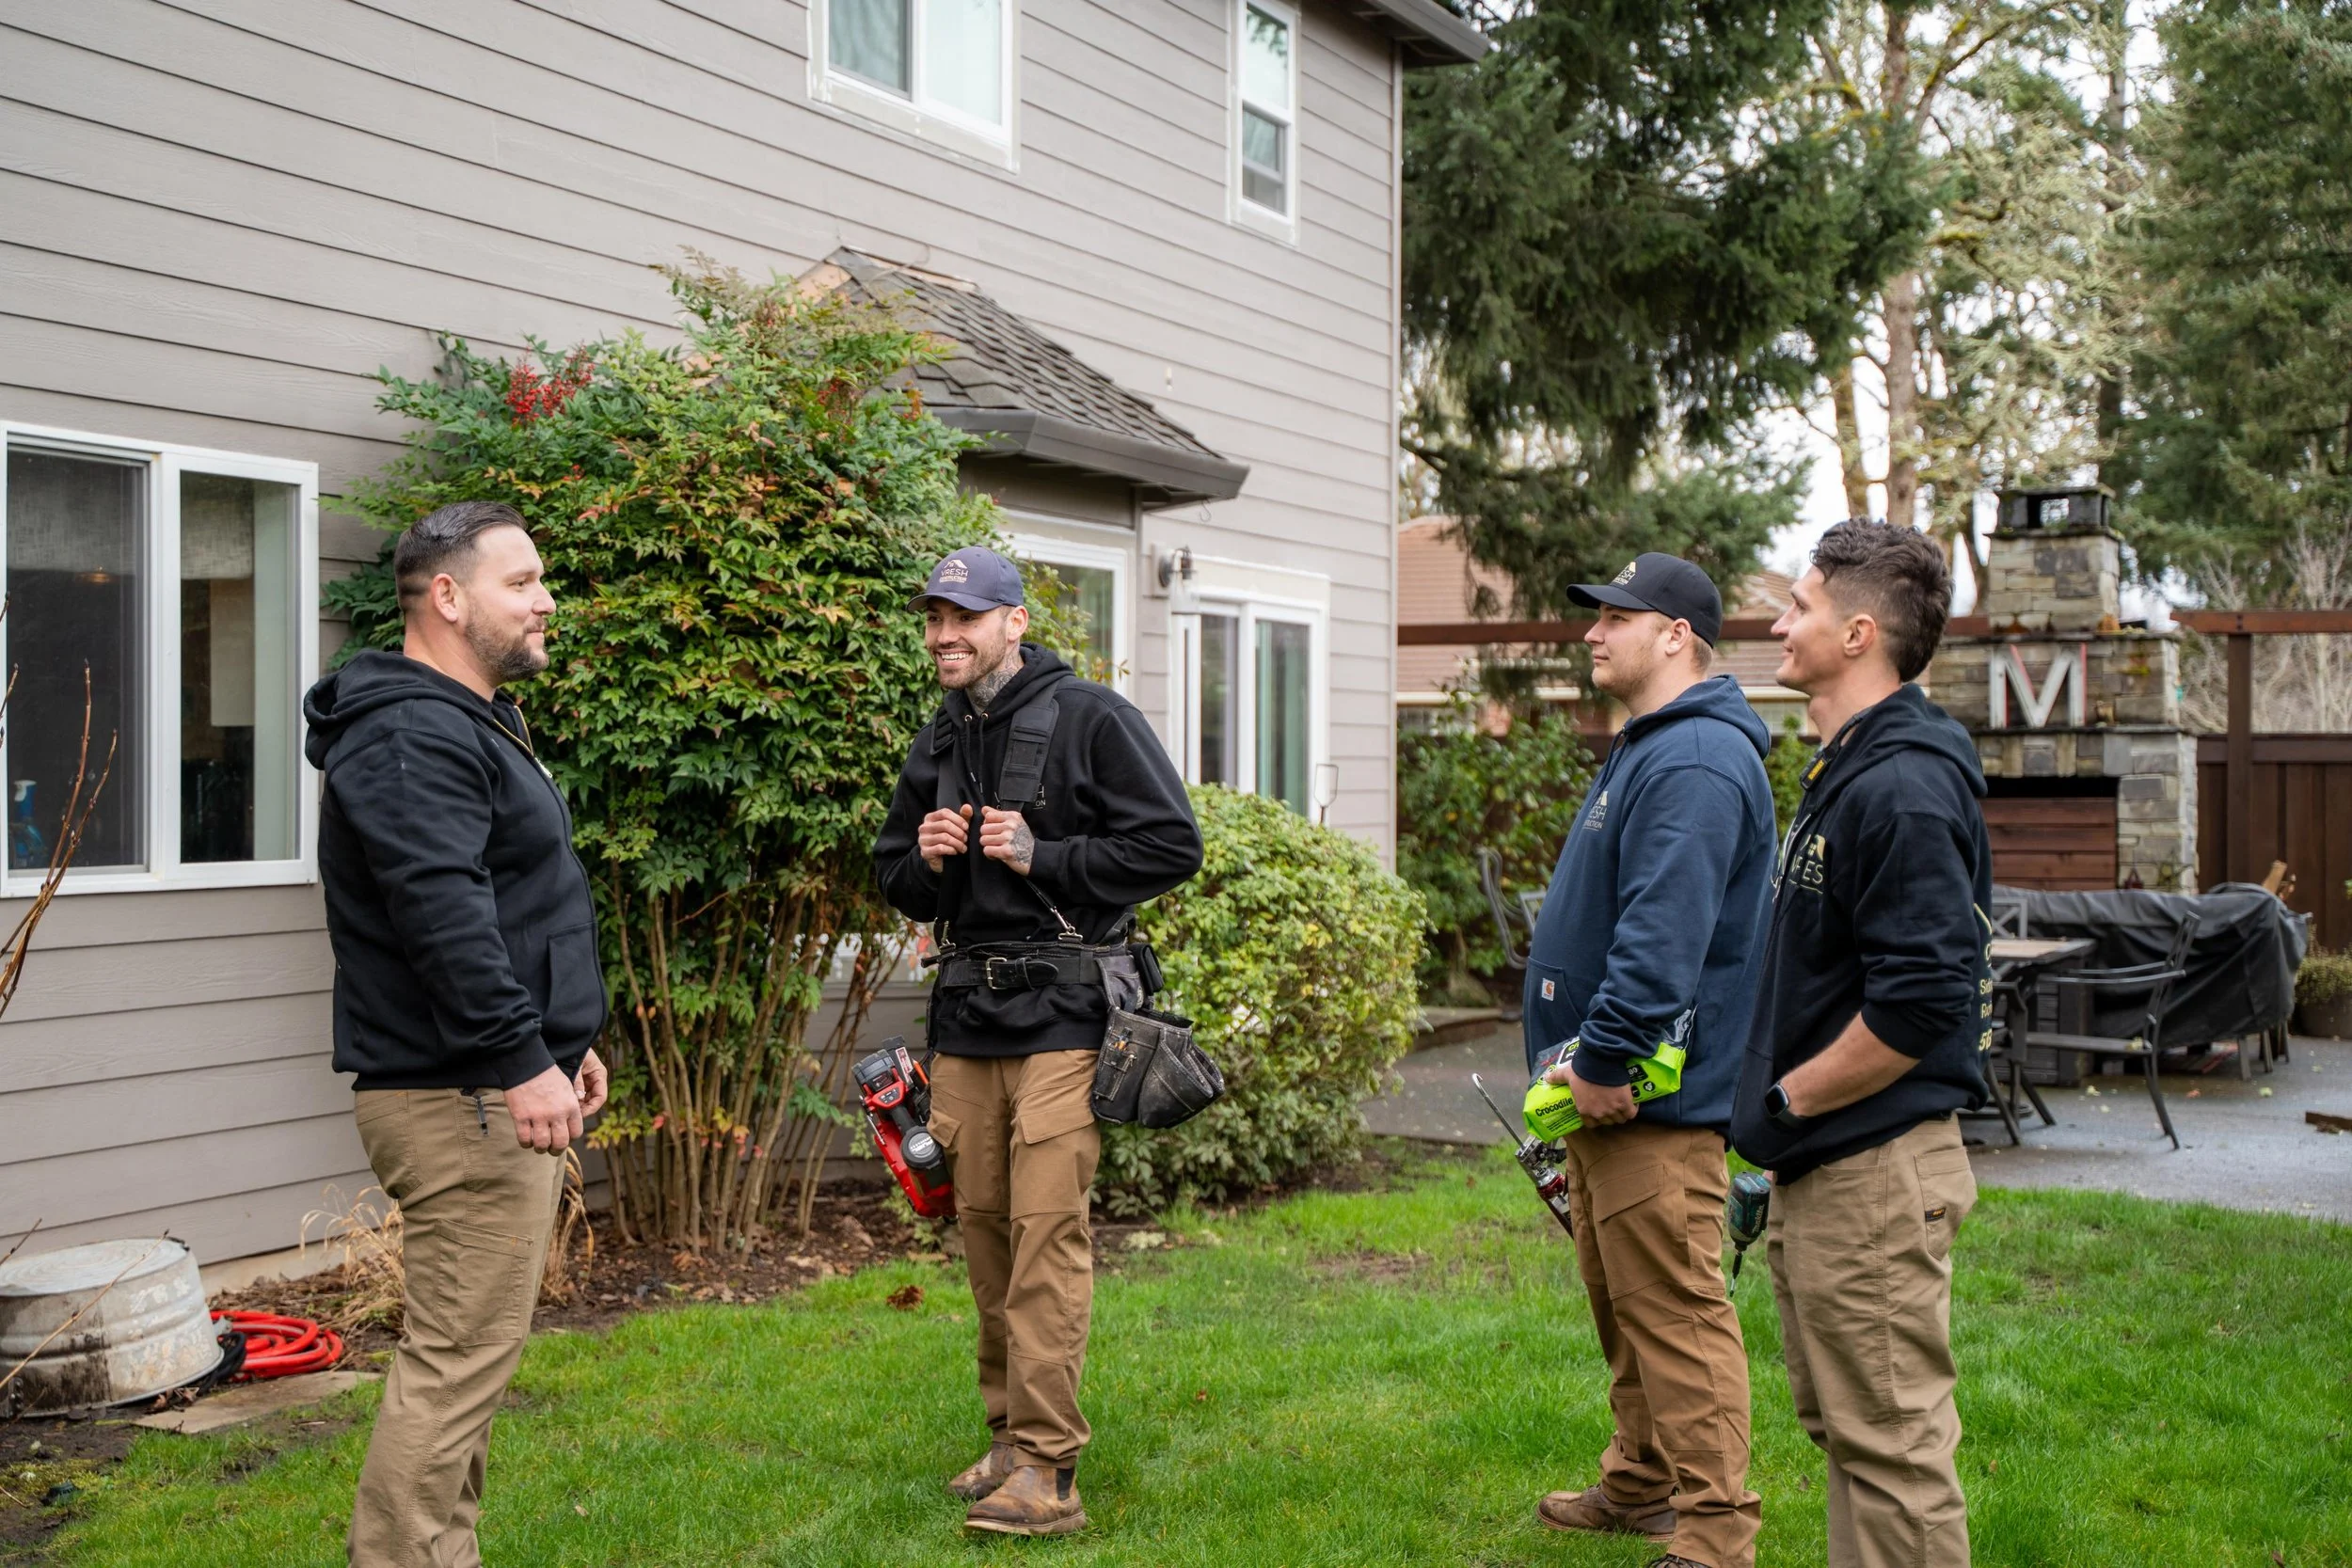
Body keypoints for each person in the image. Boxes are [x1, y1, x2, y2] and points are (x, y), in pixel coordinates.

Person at [872, 546, 1202, 1536]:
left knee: (1045, 1236)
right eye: (933, 617)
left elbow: (1170, 843)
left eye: (963, 616)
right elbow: (893, 874)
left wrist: (1042, 851)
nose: (943, 634)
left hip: (1065, 1015)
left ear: (1014, 621)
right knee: (981, 1232)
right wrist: (922, 863)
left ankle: (1051, 1472)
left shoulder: (1093, 717)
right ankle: (1008, 1436)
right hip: (967, 1019)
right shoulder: (936, 735)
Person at [305, 500, 610, 1568]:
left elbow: (508, 902)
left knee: (470, 1359)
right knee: (454, 1360)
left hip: (487, 1080)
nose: (546, 599)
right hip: (459, 1094)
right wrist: (519, 1057)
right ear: (446, 596)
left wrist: (560, 1037)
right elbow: (440, 912)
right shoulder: (405, 730)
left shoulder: (455, 718)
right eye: (521, 581)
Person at [1731, 519, 1990, 1568]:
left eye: (1798, 605)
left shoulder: (1902, 785)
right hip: (1829, 1168)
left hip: (1869, 1166)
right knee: (1849, 1434)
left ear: (1858, 633)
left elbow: (1922, 1002)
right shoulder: (1851, 768)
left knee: (1892, 1449)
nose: (1779, 622)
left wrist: (1789, 1100)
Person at [1521, 553, 1776, 1568]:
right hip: (1604, 1097)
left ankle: (1715, 1531)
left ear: (1674, 634)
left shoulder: (1698, 760)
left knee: (1675, 1311)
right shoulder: (1656, 747)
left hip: (1647, 1103)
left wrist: (1605, 1060)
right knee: (1624, 1299)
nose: (1592, 633)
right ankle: (1640, 1479)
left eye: (1614, 617)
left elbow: (1661, 937)